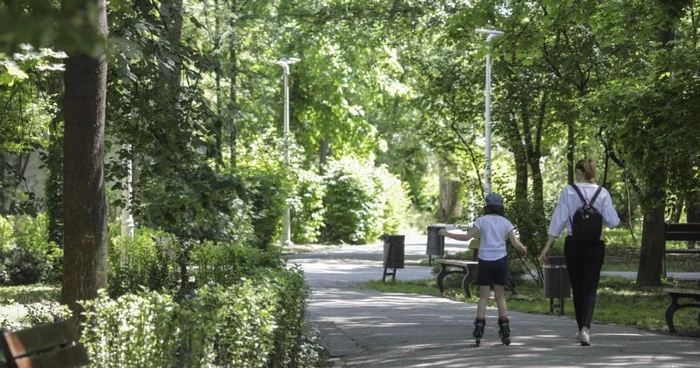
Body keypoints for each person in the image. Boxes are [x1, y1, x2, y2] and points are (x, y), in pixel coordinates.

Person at [539, 159, 620, 346]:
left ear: (578, 171)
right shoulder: (603, 193)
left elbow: (558, 219)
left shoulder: (569, 191)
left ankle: (580, 329)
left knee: (577, 288)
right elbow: (612, 221)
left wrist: (548, 245)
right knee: (591, 289)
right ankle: (586, 328)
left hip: (573, 244)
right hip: (595, 246)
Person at [439, 193, 527, 345]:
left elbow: (467, 237)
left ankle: (479, 327)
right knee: (500, 296)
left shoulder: (481, 221)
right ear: (501, 207)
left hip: (485, 261)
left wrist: (447, 234)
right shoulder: (506, 223)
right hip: (500, 261)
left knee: (483, 297)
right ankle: (505, 328)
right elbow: (515, 243)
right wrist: (523, 249)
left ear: (487, 206)